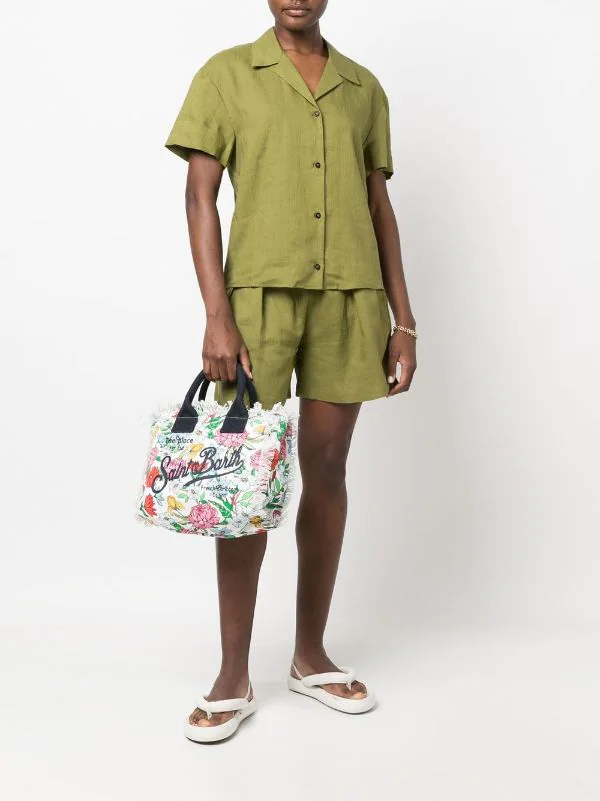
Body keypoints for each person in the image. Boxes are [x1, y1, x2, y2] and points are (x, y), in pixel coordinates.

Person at [165, 0, 417, 743]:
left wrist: (403, 319)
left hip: (350, 298)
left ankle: (310, 656)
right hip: (257, 305)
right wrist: (217, 314)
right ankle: (233, 673)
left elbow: (379, 205)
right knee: (244, 481)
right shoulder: (226, 75)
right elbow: (199, 195)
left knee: (328, 470)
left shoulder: (362, 87)